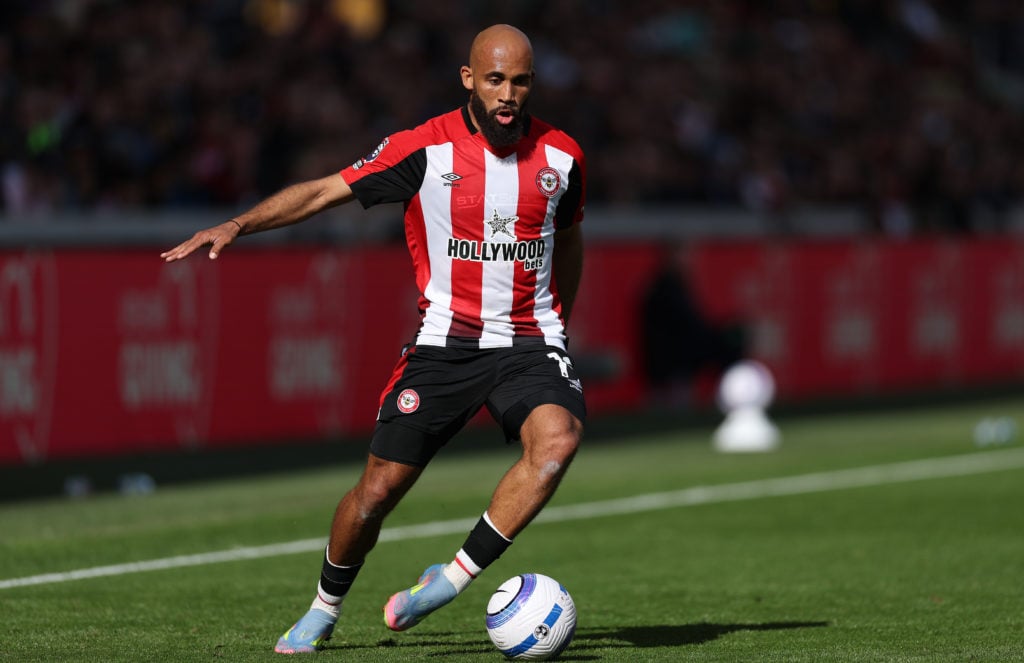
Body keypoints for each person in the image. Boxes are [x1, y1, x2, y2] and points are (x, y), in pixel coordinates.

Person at [161, 24, 587, 655]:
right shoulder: (424, 148)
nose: (508, 95)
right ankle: (323, 607)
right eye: (495, 79)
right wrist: (240, 223)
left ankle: (444, 584)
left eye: (520, 81)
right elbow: (326, 190)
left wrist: (559, 325)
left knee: (557, 442)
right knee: (377, 492)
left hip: (530, 341)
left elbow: (569, 238)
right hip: (447, 341)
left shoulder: (564, 158)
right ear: (468, 79)